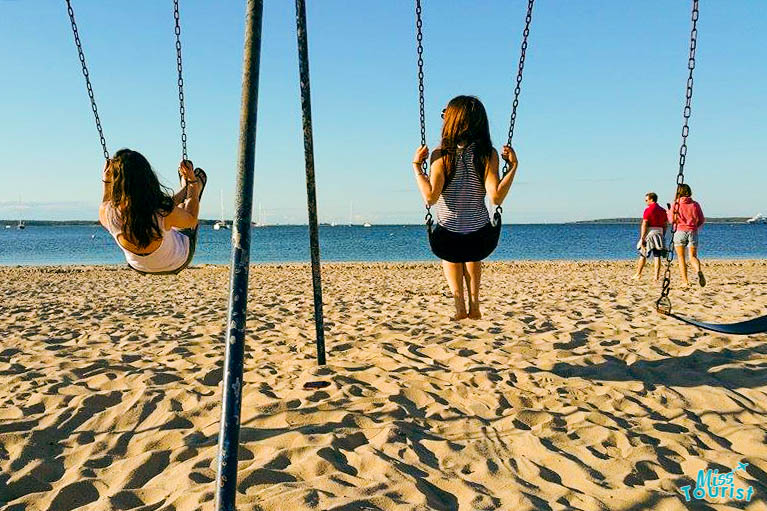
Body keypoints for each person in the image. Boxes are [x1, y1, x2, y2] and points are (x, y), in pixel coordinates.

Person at [412, 95, 518, 320]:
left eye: (444, 115)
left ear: (452, 121)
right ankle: (475, 305)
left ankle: (459, 306)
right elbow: (496, 198)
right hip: (480, 237)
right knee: (472, 255)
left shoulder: (441, 155)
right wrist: (513, 167)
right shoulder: (487, 154)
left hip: (447, 237)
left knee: (452, 256)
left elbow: (430, 198)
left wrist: (417, 167)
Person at [99, 149, 206, 274]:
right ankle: (191, 188)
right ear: (148, 178)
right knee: (183, 210)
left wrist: (107, 181)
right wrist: (193, 181)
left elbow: (106, 200)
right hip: (176, 262)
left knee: (163, 211)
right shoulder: (162, 212)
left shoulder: (106, 212)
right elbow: (192, 219)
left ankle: (184, 189)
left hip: (139, 266)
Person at [667, 183, 705, 287]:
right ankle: (698, 271)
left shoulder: (675, 204)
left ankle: (685, 281)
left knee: (681, 257)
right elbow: (701, 219)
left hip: (679, 231)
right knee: (692, 256)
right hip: (692, 231)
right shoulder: (695, 204)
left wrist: (668, 212)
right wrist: (695, 226)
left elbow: (671, 220)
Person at [632, 192, 667, 281]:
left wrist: (642, 237)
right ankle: (656, 276)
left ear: (651, 199)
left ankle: (638, 273)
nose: (646, 202)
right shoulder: (663, 210)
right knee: (657, 255)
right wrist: (663, 234)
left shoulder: (648, 210)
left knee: (643, 254)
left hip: (650, 233)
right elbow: (665, 224)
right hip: (660, 232)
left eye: (646, 200)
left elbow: (645, 224)